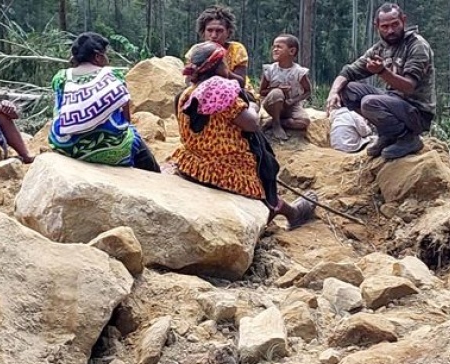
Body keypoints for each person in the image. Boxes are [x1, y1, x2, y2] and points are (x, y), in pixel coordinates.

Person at [169, 42, 317, 229]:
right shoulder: (219, 90)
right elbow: (252, 124)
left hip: (194, 162)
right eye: (224, 63)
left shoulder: (188, 92)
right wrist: (253, 107)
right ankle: (282, 209)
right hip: (224, 167)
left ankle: (287, 210)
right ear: (217, 67)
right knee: (263, 164)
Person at [325, 3, 435, 160]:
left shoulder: (417, 45)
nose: (390, 30)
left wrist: (382, 72)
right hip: (393, 102)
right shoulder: (380, 49)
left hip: (416, 111)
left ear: (403, 20)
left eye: (395, 24)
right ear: (377, 26)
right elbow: (348, 71)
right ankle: (388, 134)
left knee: (370, 102)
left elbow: (409, 87)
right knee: (347, 90)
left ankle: (408, 138)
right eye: (385, 26)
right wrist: (333, 92)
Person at [49, 33, 159, 171]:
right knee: (136, 142)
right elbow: (126, 119)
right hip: (113, 147)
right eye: (105, 54)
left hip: (67, 148)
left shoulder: (60, 77)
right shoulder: (113, 75)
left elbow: (58, 111)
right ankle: (155, 176)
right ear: (97, 56)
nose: (107, 59)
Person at [186, 6, 254, 95]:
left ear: (228, 32)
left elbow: (242, 83)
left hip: (237, 93)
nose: (214, 35)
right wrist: (193, 76)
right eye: (209, 30)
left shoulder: (237, 49)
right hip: (204, 94)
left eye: (219, 31)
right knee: (180, 99)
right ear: (203, 32)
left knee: (250, 109)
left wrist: (227, 73)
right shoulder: (195, 51)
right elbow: (188, 82)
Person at [259, 34, 311, 141]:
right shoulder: (269, 70)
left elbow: (308, 91)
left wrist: (293, 100)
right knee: (277, 93)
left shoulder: (299, 72)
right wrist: (277, 89)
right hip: (273, 104)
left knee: (304, 122)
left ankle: (278, 121)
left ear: (292, 51)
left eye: (279, 47)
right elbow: (261, 91)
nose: (275, 49)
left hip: (291, 106)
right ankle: (276, 124)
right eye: (274, 47)